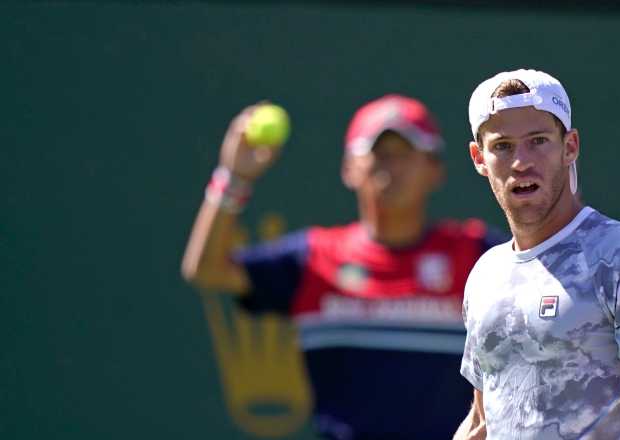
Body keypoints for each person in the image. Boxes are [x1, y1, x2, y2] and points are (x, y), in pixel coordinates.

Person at [181, 95, 503, 439]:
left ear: (435, 170)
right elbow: (206, 269)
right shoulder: (313, 258)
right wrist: (233, 177)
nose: (391, 166)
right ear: (349, 168)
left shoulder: (477, 253)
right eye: (379, 153)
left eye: (405, 153)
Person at [454, 69, 620, 440]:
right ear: (479, 158)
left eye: (538, 141)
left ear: (570, 147)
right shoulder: (486, 275)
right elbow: (482, 419)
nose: (521, 162)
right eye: (503, 146)